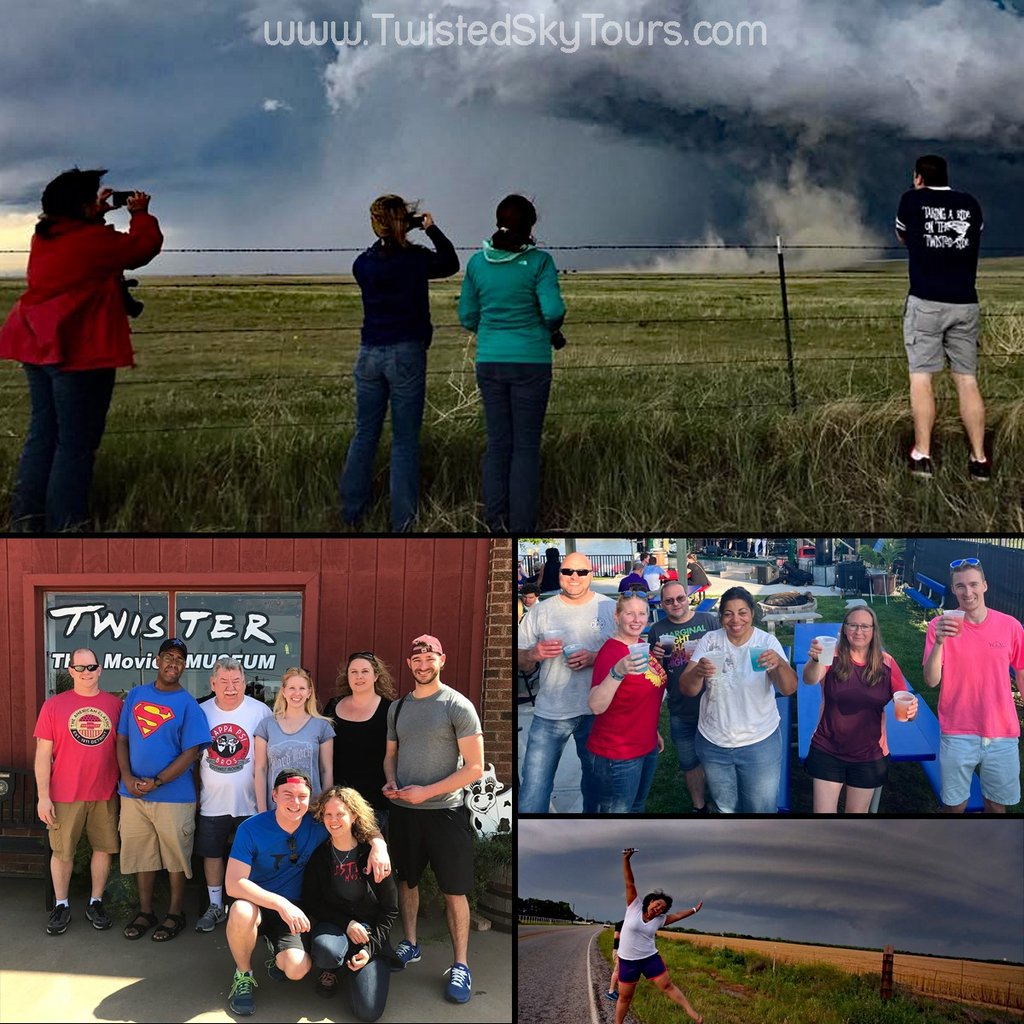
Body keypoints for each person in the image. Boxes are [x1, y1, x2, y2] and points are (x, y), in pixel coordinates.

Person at [0, 167, 163, 531]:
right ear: (81, 207)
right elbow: (141, 249)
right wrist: (141, 215)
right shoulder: (92, 242)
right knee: (75, 444)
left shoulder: (46, 235)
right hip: (78, 351)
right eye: (94, 197)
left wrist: (94, 215)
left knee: (43, 434)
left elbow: (84, 245)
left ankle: (26, 522)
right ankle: (66, 528)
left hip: (36, 344)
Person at [223, 768, 391, 1016]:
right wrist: (280, 904)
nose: (295, 802)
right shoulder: (251, 828)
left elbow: (358, 824)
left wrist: (379, 844)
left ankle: (276, 952)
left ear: (310, 800)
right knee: (241, 910)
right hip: (261, 904)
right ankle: (243, 975)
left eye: (302, 796)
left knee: (297, 969)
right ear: (274, 795)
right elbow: (233, 884)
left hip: (296, 912)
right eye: (287, 794)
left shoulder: (318, 823)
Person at [340, 194, 459, 531]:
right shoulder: (415, 260)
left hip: (369, 353)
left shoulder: (362, 264)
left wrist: (398, 229)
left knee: (365, 433)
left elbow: (385, 256)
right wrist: (430, 229)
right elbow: (450, 264)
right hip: (406, 352)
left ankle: (351, 511)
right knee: (404, 440)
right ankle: (402, 522)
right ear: (404, 220)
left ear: (375, 223)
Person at [382, 635, 485, 1004]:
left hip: (445, 814)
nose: (423, 664)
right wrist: (392, 780)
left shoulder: (457, 705)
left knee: (453, 891)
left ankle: (461, 965)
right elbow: (391, 754)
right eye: (417, 658)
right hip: (405, 813)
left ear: (442, 659)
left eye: (430, 657)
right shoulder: (397, 708)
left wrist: (426, 792)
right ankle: (411, 943)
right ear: (409, 664)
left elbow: (474, 768)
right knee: (407, 882)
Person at [458, 194, 566, 532]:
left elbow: (467, 315)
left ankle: (496, 522)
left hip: (490, 360)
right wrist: (542, 330)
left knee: (498, 443)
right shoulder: (540, 263)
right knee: (526, 447)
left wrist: (492, 333)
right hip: (531, 362)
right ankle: (522, 525)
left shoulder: (477, 263)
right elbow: (553, 311)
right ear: (531, 226)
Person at [895, 155, 989, 481]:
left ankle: (922, 455)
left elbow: (903, 237)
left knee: (922, 378)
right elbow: (974, 236)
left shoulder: (911, 200)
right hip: (965, 301)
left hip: (926, 302)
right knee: (967, 380)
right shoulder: (970, 204)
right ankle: (979, 461)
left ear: (918, 177)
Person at [116, 638, 211, 941]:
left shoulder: (188, 704)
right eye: (168, 657)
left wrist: (156, 781)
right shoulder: (135, 695)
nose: (173, 663)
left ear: (185, 666)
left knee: (175, 858)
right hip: (133, 794)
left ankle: (174, 913)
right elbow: (121, 739)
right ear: (157, 661)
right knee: (141, 856)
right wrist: (128, 777)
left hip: (173, 796)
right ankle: (145, 912)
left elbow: (190, 753)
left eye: (180, 659)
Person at [679, 587, 797, 813]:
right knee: (726, 808)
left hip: (759, 742)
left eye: (742, 612)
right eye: (728, 613)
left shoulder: (766, 642)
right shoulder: (710, 641)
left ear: (752, 613)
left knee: (761, 809)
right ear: (721, 616)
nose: (736, 620)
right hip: (714, 742)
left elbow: (789, 688)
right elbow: (688, 689)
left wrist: (779, 664)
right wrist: (698, 671)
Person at [517, 552, 616, 812]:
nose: (574, 577)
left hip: (596, 711)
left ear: (591, 575)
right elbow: (520, 658)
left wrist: (595, 657)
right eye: (567, 571)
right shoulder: (541, 611)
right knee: (534, 790)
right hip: (551, 712)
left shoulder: (608, 607)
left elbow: (625, 653)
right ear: (559, 573)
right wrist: (532, 654)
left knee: (597, 786)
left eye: (581, 572)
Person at [923, 557, 1024, 812]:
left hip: (1002, 732)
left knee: (995, 805)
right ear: (953, 589)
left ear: (985, 586)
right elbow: (931, 681)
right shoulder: (939, 626)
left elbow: (1021, 672)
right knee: (955, 806)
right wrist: (939, 643)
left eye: (973, 584)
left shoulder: (1010, 626)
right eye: (960, 586)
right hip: (958, 731)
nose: (967, 592)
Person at [33, 648, 123, 935]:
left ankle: (95, 902)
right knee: (62, 851)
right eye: (80, 668)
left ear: (100, 669)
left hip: (105, 791)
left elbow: (126, 747)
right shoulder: (53, 706)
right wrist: (43, 796)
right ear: (70, 671)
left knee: (103, 849)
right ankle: (62, 905)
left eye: (91, 667)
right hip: (64, 794)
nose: (86, 672)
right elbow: (42, 754)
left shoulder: (114, 705)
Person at [802, 606, 918, 813]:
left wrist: (911, 712)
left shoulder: (888, 663)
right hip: (828, 748)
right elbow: (810, 679)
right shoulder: (831, 655)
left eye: (865, 626)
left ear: (874, 630)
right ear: (844, 629)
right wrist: (814, 660)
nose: (858, 631)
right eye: (853, 625)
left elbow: (905, 701)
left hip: (869, 754)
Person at [302, 786, 402, 1017]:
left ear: (354, 815)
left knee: (368, 1012)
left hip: (370, 932)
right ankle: (334, 967)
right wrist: (347, 924)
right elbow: (312, 901)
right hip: (335, 926)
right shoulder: (320, 857)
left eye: (340, 814)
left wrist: (369, 949)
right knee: (327, 951)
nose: (334, 820)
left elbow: (390, 910)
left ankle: (360, 961)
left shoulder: (373, 855)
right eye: (328, 814)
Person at [194, 656, 272, 933]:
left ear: (244, 683)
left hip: (251, 802)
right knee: (212, 853)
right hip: (211, 802)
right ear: (213, 684)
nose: (230, 688)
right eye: (224, 682)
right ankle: (215, 906)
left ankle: (251, 908)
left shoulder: (261, 711)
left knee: (253, 855)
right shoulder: (200, 712)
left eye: (236, 681)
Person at [587, 592, 666, 813]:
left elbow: (645, 695)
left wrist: (654, 730)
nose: (636, 619)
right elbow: (595, 706)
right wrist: (617, 672)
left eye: (642, 614)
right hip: (618, 753)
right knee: (617, 813)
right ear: (617, 616)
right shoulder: (611, 652)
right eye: (629, 613)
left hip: (646, 744)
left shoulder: (640, 646)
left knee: (637, 807)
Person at [647, 581, 719, 814]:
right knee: (689, 762)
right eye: (669, 601)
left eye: (680, 598)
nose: (675, 604)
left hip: (715, 704)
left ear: (688, 598)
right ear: (662, 604)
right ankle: (699, 807)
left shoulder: (708, 621)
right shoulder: (657, 630)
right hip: (680, 708)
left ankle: (722, 805)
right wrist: (655, 658)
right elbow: (654, 673)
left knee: (718, 761)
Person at [613, 848, 704, 1024]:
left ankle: (694, 1015)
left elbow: (678, 915)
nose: (659, 909)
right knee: (625, 998)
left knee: (667, 986)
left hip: (649, 958)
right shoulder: (634, 906)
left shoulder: (660, 920)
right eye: (657, 904)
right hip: (627, 960)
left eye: (662, 908)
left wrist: (694, 910)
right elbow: (629, 882)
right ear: (650, 901)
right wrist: (626, 860)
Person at [322, 652, 394, 829]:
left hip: (375, 804)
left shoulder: (389, 709)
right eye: (353, 672)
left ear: (376, 675)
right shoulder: (332, 705)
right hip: (338, 803)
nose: (359, 676)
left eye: (364, 671)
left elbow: (393, 754)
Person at [254, 667, 333, 812]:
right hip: (275, 809)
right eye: (292, 688)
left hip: (311, 809)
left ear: (309, 692)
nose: (297, 693)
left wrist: (326, 808)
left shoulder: (322, 726)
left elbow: (326, 770)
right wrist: (262, 810)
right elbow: (260, 769)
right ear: (283, 691)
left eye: (302, 688)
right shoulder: (267, 725)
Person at [605, 918, 624, 1002]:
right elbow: (616, 936)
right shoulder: (620, 923)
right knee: (617, 971)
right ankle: (611, 991)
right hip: (618, 950)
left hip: (623, 951)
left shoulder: (629, 923)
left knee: (620, 972)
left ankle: (619, 991)